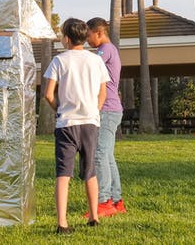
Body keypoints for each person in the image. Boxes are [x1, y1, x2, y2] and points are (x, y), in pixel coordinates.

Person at [44, 18, 109, 234]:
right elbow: (103, 92)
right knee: (90, 171)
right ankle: (94, 217)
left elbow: (48, 94)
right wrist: (95, 110)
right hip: (90, 122)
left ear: (66, 38)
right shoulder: (96, 60)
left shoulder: (59, 61)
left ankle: (62, 223)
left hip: (67, 123)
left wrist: (59, 109)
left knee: (63, 174)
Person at [86, 17, 125, 218]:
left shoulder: (105, 49)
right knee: (107, 155)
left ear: (99, 33)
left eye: (88, 35)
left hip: (107, 109)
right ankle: (116, 201)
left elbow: (90, 69)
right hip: (111, 109)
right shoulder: (108, 50)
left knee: (100, 154)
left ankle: (104, 201)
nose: (87, 40)